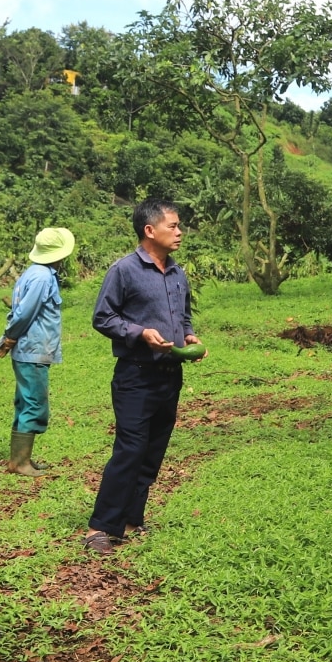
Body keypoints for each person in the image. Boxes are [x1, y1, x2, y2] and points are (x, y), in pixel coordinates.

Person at [85, 199, 203, 555]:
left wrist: (189, 336)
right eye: (173, 226)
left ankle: (131, 520)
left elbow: (182, 317)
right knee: (130, 449)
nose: (180, 232)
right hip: (136, 376)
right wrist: (140, 333)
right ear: (150, 230)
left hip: (170, 374)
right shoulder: (124, 271)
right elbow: (103, 317)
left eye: (180, 226)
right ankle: (99, 529)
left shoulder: (177, 272)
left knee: (153, 450)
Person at [0, 226, 76, 476]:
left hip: (30, 349)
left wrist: (10, 338)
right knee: (33, 404)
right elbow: (24, 313)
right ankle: (20, 463)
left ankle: (20, 459)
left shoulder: (33, 273)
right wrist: (9, 337)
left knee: (25, 402)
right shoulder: (42, 277)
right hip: (33, 349)